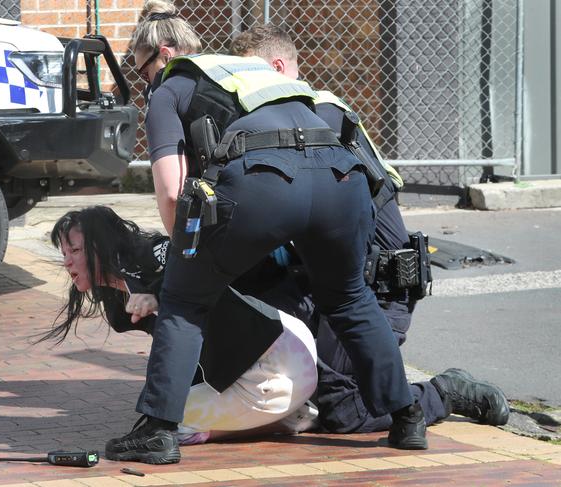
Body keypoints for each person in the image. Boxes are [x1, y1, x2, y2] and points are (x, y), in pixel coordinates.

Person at [118, 0, 429, 464]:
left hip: (264, 179)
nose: (145, 82)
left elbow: (170, 191)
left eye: (142, 71)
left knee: (185, 299)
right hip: (339, 180)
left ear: (162, 57)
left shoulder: (170, 87)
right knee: (347, 299)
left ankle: (158, 431)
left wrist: (188, 257)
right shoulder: (256, 77)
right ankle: (407, 417)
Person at [229, 24, 510, 433]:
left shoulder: (317, 119)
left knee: (344, 411)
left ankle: (444, 392)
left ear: (275, 68)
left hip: (376, 289)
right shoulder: (295, 117)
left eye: (246, 77)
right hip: (329, 280)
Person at [39, 205, 320, 453]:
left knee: (170, 425)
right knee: (155, 412)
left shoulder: (152, 253)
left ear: (101, 246)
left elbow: (186, 269)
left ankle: (288, 420)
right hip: (265, 355)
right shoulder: (117, 296)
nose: (67, 261)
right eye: (64, 252)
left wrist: (158, 295)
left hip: (279, 357)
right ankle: (283, 413)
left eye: (75, 250)